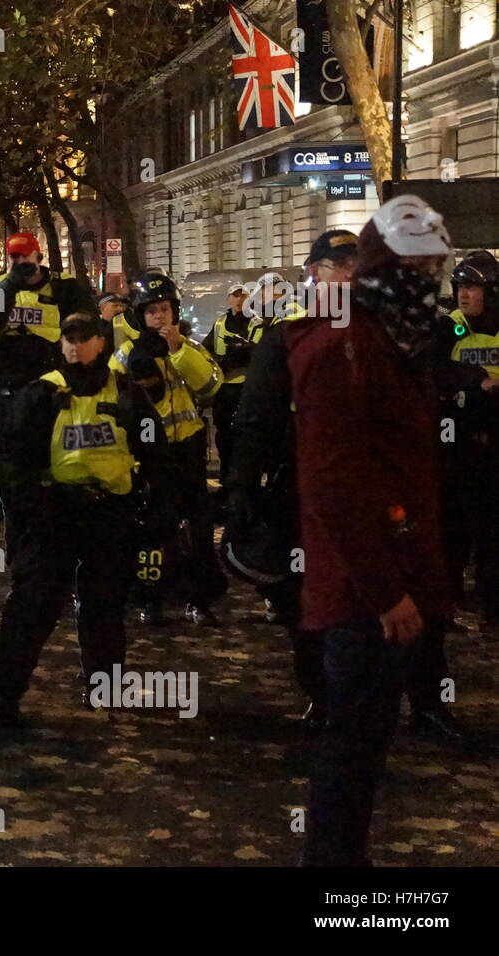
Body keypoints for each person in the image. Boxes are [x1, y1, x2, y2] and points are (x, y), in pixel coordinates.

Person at [291, 196, 456, 866]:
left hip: (388, 580)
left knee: (363, 749)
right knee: (350, 751)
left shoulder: (387, 339)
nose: (436, 281)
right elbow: (336, 487)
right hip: (366, 594)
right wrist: (387, 591)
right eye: (426, 266)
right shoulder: (347, 346)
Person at [0, 313, 163, 725]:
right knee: (32, 605)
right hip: (55, 513)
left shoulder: (126, 393)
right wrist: (33, 510)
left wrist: (153, 506)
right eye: (69, 339)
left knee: (104, 605)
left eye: (84, 339)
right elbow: (12, 463)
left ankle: (106, 686)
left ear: (102, 343)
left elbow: (154, 448)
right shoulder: (41, 394)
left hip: (109, 512)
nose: (75, 347)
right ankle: (6, 693)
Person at [226, 230, 357, 730]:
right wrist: (241, 483)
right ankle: (323, 694)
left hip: (361, 489)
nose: (348, 274)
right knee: (308, 594)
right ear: (314, 273)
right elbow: (256, 416)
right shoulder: (287, 336)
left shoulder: (377, 333)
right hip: (300, 488)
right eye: (337, 264)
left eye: (354, 265)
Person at [0, 232, 95, 580]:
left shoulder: (66, 290)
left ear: (39, 256)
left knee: (62, 483)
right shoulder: (1, 290)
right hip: (9, 402)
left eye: (26, 257)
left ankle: (66, 563)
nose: (21, 264)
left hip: (55, 403)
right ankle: (23, 566)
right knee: (15, 486)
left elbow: (91, 333)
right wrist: (4, 290)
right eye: (14, 258)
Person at [111, 271, 226, 626]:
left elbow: (211, 385)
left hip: (189, 449)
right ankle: (150, 597)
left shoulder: (188, 347)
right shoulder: (128, 353)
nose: (160, 317)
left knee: (198, 528)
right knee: (153, 530)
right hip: (150, 454)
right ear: (140, 315)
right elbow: (115, 399)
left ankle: (199, 599)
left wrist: (177, 350)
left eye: (165, 309)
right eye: (152, 311)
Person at [436, 251, 499, 627]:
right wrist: (473, 379)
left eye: (473, 287)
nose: (464, 294)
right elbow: (433, 368)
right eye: (461, 286)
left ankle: (491, 600)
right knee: (453, 524)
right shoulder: (450, 327)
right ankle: (449, 597)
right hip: (457, 441)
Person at [201, 283, 255, 494]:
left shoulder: (255, 323)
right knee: (224, 435)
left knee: (245, 435)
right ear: (228, 300)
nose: (239, 300)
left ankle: (244, 481)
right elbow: (206, 350)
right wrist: (220, 363)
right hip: (225, 388)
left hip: (246, 387)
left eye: (243, 296)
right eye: (235, 296)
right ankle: (226, 479)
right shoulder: (220, 323)